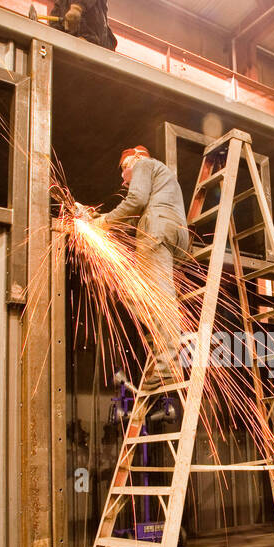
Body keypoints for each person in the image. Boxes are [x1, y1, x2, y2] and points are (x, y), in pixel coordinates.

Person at [95, 146, 190, 387]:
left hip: (156, 230)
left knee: (157, 297)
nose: (123, 178)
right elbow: (132, 210)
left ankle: (168, 363)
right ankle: (163, 345)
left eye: (124, 169)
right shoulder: (162, 179)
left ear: (135, 158)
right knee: (132, 293)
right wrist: (100, 222)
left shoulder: (143, 165)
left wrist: (102, 222)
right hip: (173, 234)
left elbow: (135, 200)